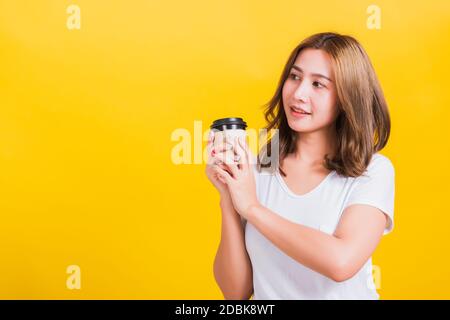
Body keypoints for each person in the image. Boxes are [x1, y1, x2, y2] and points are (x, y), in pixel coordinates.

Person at [206, 32, 395, 300]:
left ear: (346, 97)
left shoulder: (373, 171)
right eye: (294, 77)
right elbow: (235, 292)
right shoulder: (260, 167)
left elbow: (341, 263)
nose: (299, 93)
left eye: (318, 84)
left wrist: (251, 207)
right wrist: (229, 198)